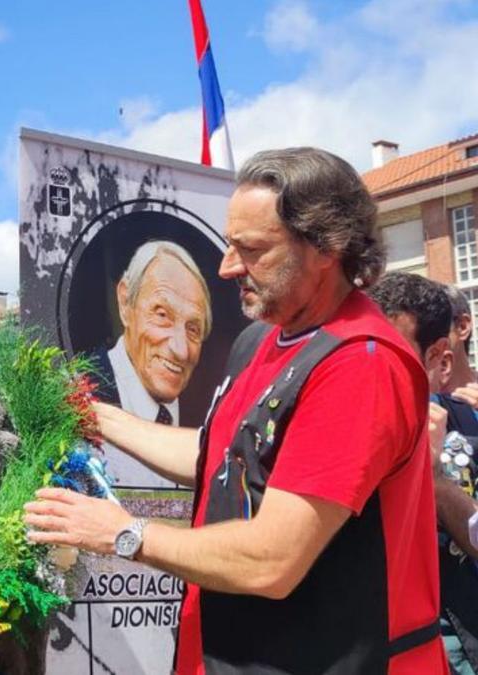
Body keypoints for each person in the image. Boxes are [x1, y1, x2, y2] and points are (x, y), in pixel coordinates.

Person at [24, 147, 446, 673]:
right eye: (229, 244)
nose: (227, 267)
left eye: (253, 250)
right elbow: (222, 456)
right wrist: (98, 416)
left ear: (327, 248)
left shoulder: (361, 364)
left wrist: (122, 533)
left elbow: (274, 559)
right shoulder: (260, 341)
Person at [372, 272, 478, 673]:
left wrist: (433, 476)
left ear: (440, 359)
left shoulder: (469, 426)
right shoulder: (342, 429)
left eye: (395, 353)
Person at [92, 240, 211, 486]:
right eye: (162, 315)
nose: (180, 350)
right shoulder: (80, 393)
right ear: (125, 303)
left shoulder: (208, 417)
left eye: (193, 329)